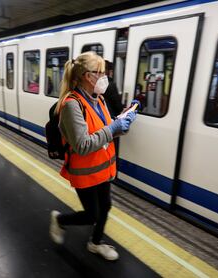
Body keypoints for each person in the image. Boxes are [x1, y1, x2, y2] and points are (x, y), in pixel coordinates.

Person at [49, 51, 137, 261]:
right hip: (85, 171)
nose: (105, 77)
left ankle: (95, 243)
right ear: (88, 76)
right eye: (101, 73)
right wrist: (113, 127)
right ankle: (60, 220)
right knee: (92, 215)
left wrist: (124, 121)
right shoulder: (72, 104)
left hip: (103, 168)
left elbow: (107, 129)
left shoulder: (99, 100)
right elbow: (82, 145)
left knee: (105, 206)